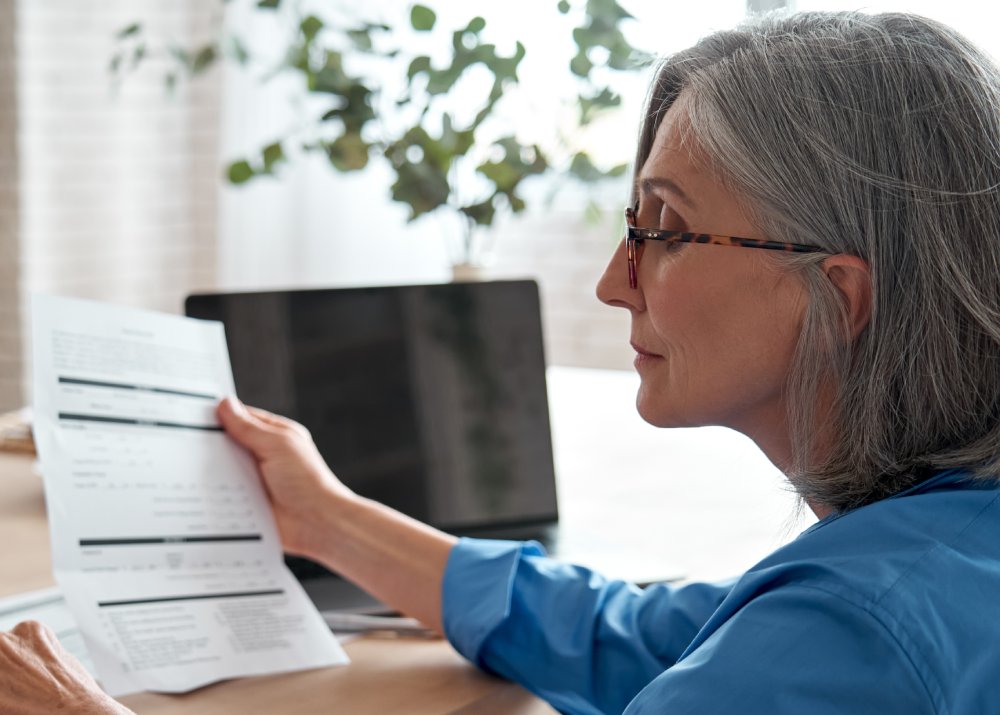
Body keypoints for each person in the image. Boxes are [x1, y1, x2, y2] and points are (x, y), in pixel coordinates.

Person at [4, 8, 1000, 713]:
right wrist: (325, 517)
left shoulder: (850, 638)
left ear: (837, 295)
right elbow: (636, 635)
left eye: (666, 229)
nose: (612, 282)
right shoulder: (927, 554)